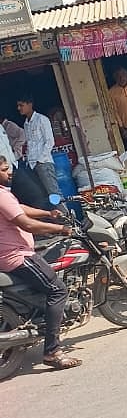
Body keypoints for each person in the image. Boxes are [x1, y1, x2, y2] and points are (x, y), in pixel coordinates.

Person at [0, 155, 81, 369]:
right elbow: (26, 224)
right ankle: (52, 351)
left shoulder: (5, 195)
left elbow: (21, 209)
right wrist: (62, 229)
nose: (10, 172)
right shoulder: (1, 195)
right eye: (5, 169)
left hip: (14, 252)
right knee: (58, 290)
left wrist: (48, 213)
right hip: (16, 255)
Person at [16, 94, 61, 199]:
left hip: (43, 163)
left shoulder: (42, 119)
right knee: (41, 195)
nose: (19, 108)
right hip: (32, 165)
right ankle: (53, 215)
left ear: (30, 104)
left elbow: (50, 141)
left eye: (21, 105)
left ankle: (65, 215)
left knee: (54, 193)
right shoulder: (26, 124)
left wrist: (41, 160)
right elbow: (29, 144)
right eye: (18, 106)